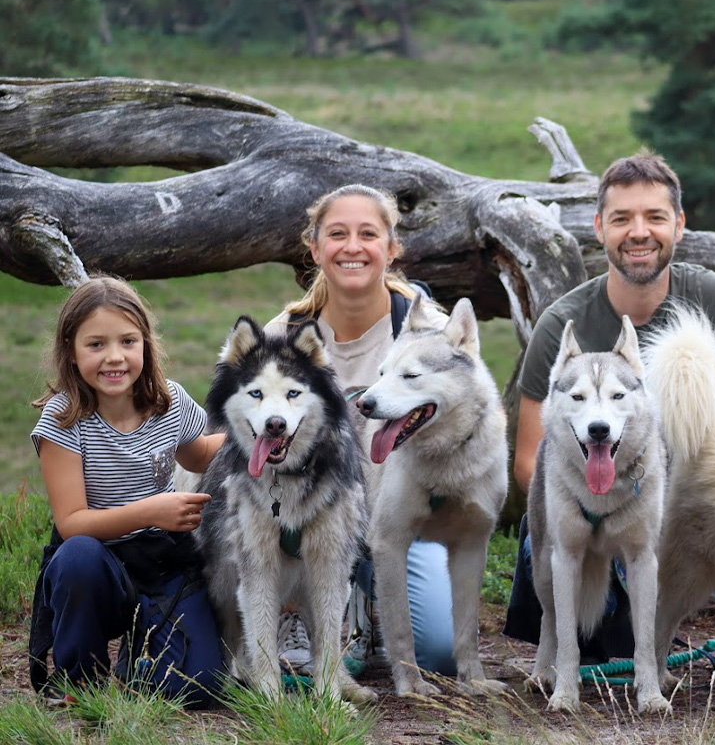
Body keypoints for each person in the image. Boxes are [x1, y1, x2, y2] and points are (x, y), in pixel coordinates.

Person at [503, 149, 715, 676]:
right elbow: (527, 464)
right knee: (605, 656)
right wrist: (603, 507)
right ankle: (574, 632)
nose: (639, 232)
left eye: (655, 217)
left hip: (692, 502)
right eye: (622, 219)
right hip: (592, 504)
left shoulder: (713, 296)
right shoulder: (561, 323)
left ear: (679, 225)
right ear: (598, 228)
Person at [268, 183, 455, 677]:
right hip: (305, 521)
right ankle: (298, 610)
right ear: (314, 247)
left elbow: (460, 432)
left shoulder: (427, 332)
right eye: (337, 234)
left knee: (436, 655)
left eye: (368, 234)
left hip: (405, 517)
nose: (352, 247)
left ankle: (370, 609)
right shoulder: (281, 337)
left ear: (392, 248)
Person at [29, 276, 226, 707]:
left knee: (196, 688)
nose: (114, 357)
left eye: (127, 341)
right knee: (76, 557)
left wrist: (254, 434)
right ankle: (82, 679)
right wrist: (150, 511)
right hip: (95, 564)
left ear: (146, 344)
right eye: (96, 344)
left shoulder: (167, 400)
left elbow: (199, 455)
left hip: (160, 561)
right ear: (70, 350)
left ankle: (139, 659)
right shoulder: (64, 419)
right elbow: (72, 521)